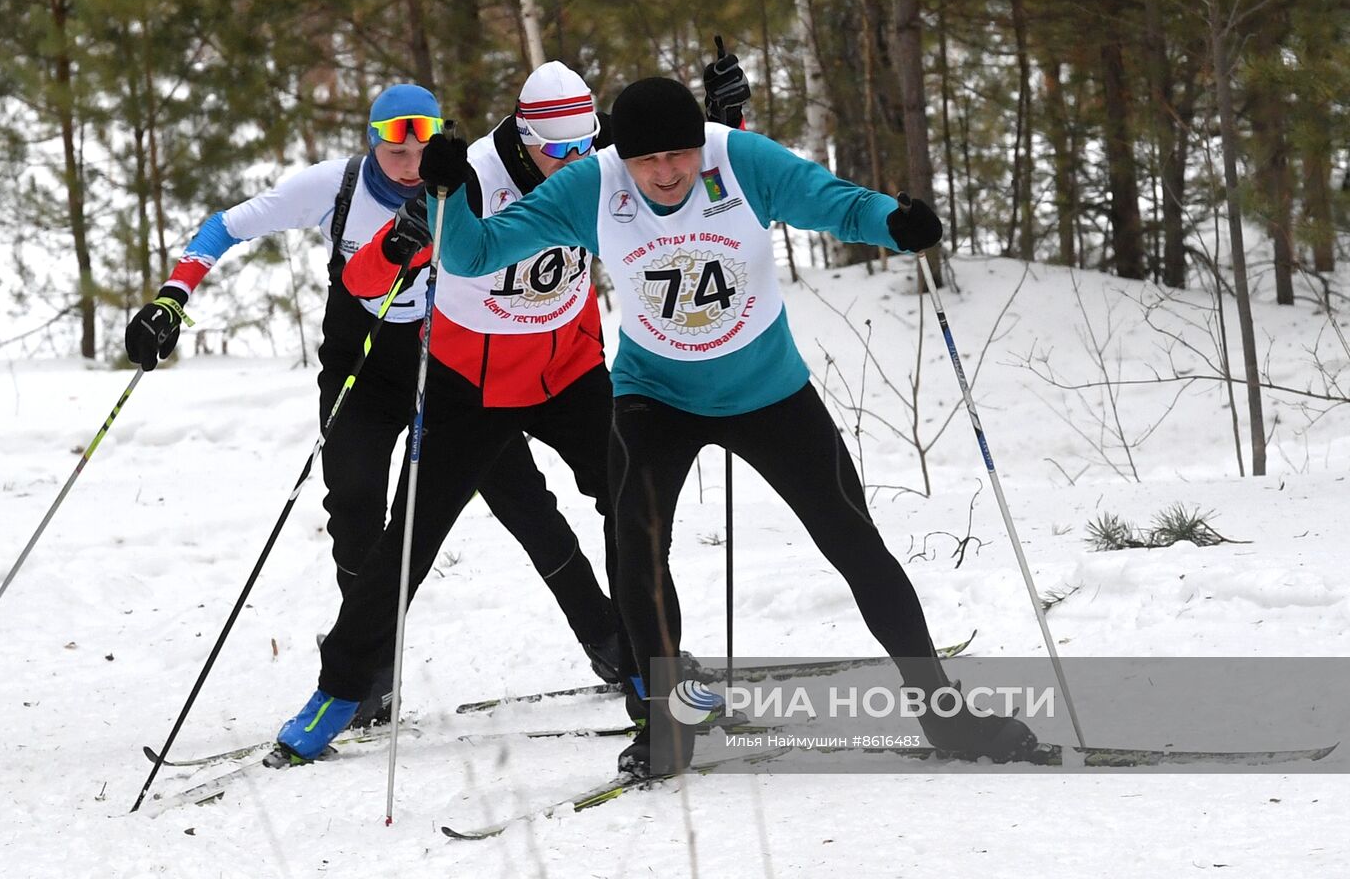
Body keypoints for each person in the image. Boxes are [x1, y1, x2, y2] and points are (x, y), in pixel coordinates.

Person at [416, 75, 1039, 778]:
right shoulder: (591, 184)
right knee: (639, 552)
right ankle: (665, 725)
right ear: (622, 155)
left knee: (854, 541)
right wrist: (450, 195)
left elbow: (830, 201)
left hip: (768, 389)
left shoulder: (738, 158)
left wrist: (893, 223)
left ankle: (946, 719)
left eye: (681, 154)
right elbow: (471, 254)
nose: (669, 173)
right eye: (649, 161)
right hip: (656, 397)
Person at [272, 59, 754, 762]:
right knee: (408, 543)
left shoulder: (602, 156)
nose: (571, 161)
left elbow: (692, 182)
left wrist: (726, 124)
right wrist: (402, 239)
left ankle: (653, 674)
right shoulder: (468, 176)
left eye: (583, 145)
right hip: (474, 384)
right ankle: (342, 689)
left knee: (634, 509)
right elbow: (361, 280)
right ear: (524, 136)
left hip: (571, 372)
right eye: (556, 150)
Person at [123, 84, 622, 729]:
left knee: (523, 501)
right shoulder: (336, 187)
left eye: (423, 133)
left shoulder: (465, 181)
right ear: (372, 137)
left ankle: (608, 639)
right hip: (361, 364)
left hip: (445, 367)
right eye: (393, 135)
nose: (409, 150)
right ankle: (369, 676)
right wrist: (172, 298)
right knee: (355, 500)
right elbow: (228, 225)